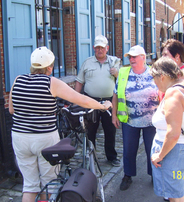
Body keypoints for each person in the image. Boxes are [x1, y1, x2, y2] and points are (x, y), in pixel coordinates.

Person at [9, 46, 112, 202]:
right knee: (48, 182)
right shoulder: (51, 83)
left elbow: (11, 110)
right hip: (44, 138)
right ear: (50, 67)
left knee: (29, 185)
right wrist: (103, 105)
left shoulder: (18, 80)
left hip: (19, 137)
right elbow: (81, 99)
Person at [150, 57, 184, 202]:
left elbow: (173, 134)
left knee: (174, 197)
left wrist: (159, 156)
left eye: (154, 79)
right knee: (181, 190)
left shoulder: (173, 95)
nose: (154, 83)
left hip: (174, 153)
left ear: (162, 77)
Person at [112, 45, 159, 191]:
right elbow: (115, 95)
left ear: (143, 58)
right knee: (128, 149)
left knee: (152, 149)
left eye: (134, 56)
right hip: (129, 120)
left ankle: (154, 175)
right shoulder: (123, 73)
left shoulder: (154, 73)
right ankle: (128, 175)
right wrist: (114, 115)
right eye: (129, 57)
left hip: (152, 121)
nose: (131, 59)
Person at [75, 35, 121, 167]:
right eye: (97, 48)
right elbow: (79, 82)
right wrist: (75, 100)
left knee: (110, 130)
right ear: (94, 48)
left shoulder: (114, 62)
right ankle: (91, 157)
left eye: (102, 47)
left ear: (107, 48)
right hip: (90, 100)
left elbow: (122, 82)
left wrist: (117, 74)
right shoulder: (87, 62)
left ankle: (111, 156)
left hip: (110, 101)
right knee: (90, 130)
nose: (99, 50)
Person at [160, 39, 184, 202]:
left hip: (182, 136)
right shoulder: (174, 74)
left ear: (177, 57)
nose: (161, 58)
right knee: (182, 175)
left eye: (165, 55)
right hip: (178, 135)